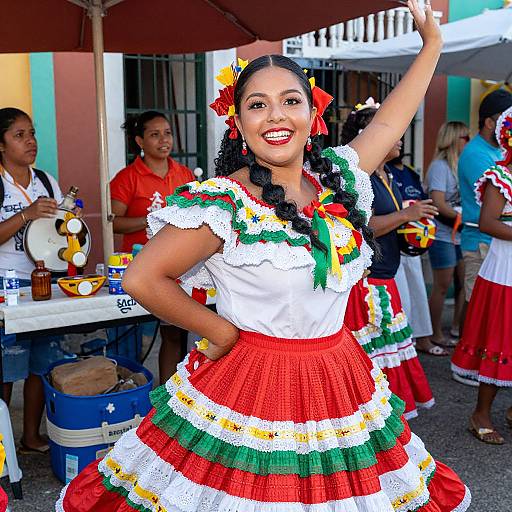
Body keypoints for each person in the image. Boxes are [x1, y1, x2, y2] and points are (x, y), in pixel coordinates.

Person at [58, 3, 471, 510]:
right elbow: (144, 277)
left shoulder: (338, 179)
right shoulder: (222, 203)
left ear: (313, 115)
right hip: (252, 384)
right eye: (257, 105)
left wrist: (432, 44)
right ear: (238, 122)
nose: (276, 115)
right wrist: (221, 332)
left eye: (290, 100)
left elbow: (389, 122)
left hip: (339, 377)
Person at [343, 103, 438, 418]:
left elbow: (390, 222)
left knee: (389, 351)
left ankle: (385, 421)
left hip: (388, 274)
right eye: (393, 133)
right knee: (373, 357)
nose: (399, 140)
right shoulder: (361, 178)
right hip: (368, 282)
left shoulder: (391, 175)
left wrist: (414, 229)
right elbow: (362, 226)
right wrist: (406, 215)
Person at [0, 107, 68, 454]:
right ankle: (1, 447)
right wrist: (25, 215)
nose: (31, 141)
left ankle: (30, 437)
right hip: (5, 286)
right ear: (1, 145)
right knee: (6, 368)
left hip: (44, 282)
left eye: (32, 133)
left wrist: (69, 226)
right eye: (19, 135)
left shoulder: (44, 180)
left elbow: (58, 229)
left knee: (42, 364)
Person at [110, 111, 195, 383]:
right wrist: (154, 217)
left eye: (167, 133)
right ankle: (133, 392)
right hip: (138, 270)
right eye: (155, 134)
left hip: (178, 268)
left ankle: (168, 396)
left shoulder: (184, 174)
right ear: (139, 141)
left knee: (173, 334)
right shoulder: (127, 177)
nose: (164, 140)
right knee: (135, 338)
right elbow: (114, 222)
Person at [451, 106, 512, 444]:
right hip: (504, 270)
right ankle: (481, 413)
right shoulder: (500, 176)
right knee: (498, 339)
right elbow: (488, 222)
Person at [389, 151, 443, 356]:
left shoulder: (411, 173)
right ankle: (406, 340)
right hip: (395, 238)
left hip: (415, 239)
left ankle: (422, 337)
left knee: (417, 290)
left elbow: (423, 200)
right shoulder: (385, 172)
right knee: (401, 295)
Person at [425, 122, 468, 347]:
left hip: (461, 234)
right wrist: (465, 219)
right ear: (453, 139)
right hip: (442, 234)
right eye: (464, 137)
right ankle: (433, 333)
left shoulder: (461, 164)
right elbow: (439, 203)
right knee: (442, 285)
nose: (467, 142)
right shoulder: (440, 167)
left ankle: (457, 329)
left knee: (464, 283)